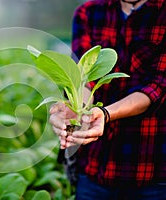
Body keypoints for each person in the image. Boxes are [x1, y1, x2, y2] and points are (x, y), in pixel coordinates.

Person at [49, 0, 165, 199]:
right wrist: (77, 109)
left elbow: (158, 86)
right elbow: (83, 78)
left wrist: (106, 113)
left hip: (152, 171)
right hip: (94, 169)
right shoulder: (88, 13)